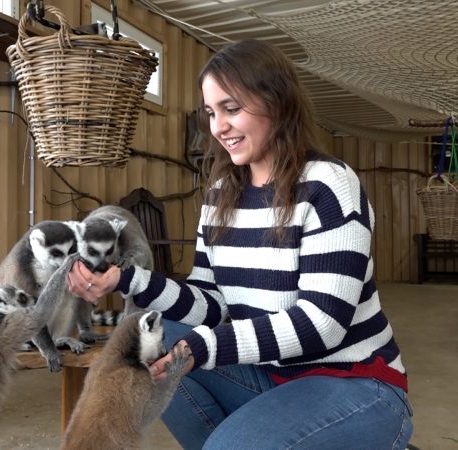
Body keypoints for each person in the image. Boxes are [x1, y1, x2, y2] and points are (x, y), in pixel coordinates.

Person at [68, 39, 413, 450]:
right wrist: (126, 280)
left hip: (356, 382)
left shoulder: (329, 185)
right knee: (145, 338)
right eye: (212, 113)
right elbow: (210, 303)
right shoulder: (219, 195)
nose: (218, 127)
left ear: (278, 102)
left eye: (232, 109)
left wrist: (204, 346)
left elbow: (323, 323)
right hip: (272, 378)